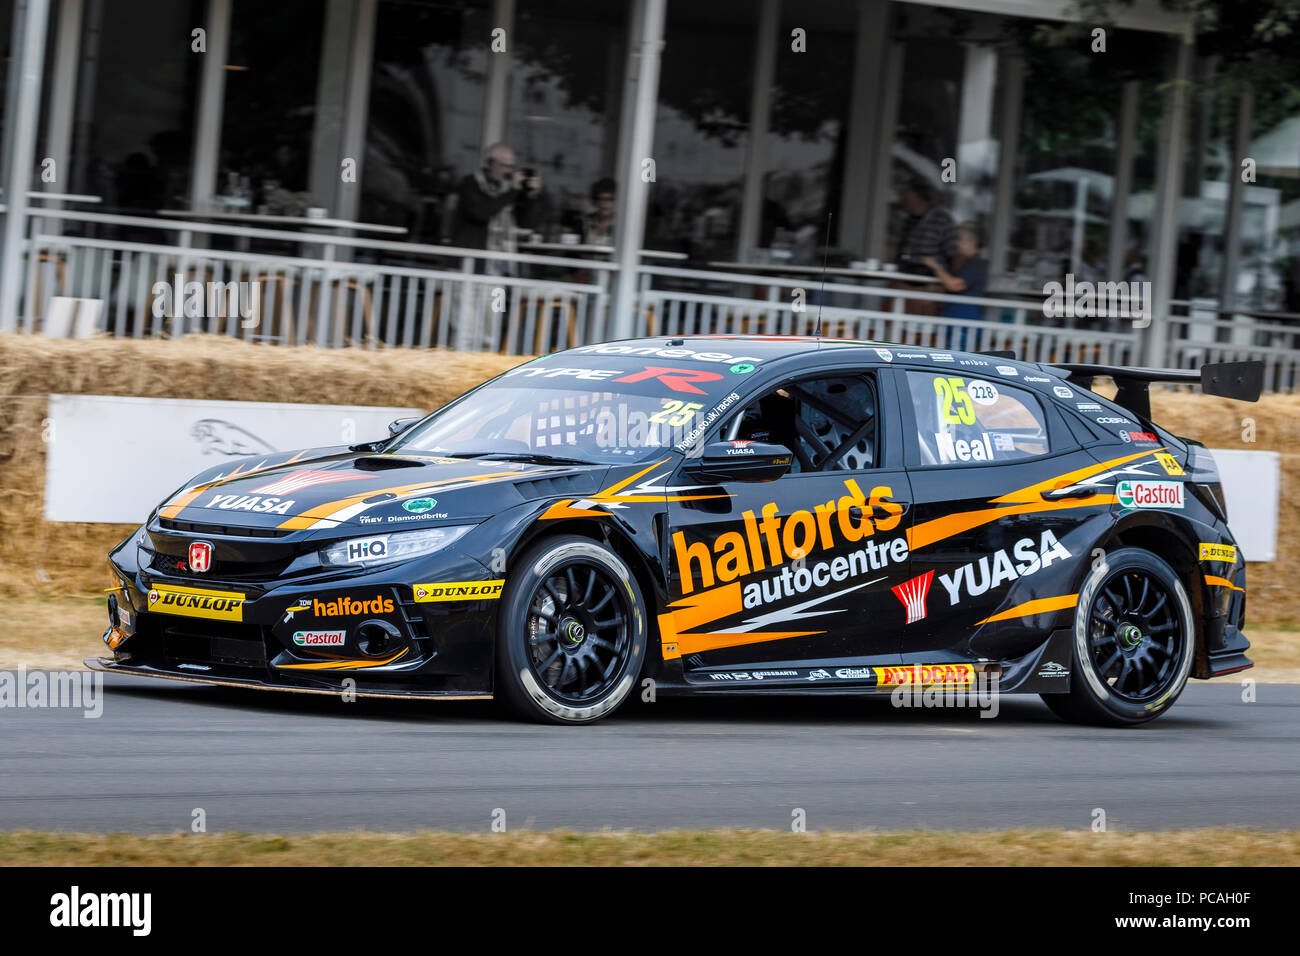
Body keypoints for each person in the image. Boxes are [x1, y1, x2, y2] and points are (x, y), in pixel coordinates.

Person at [450, 142, 541, 266]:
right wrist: (512, 191)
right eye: (504, 165)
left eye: (511, 166)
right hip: (470, 261)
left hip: (500, 263)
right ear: (489, 163)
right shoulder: (471, 183)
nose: (508, 171)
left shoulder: (509, 189)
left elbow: (527, 225)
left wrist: (531, 197)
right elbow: (480, 213)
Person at [921, 222, 988, 350]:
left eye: (962, 240)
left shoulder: (976, 264)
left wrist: (935, 266)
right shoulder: (962, 263)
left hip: (964, 326)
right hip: (954, 323)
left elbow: (955, 285)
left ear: (974, 243)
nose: (957, 244)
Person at [896, 177, 957, 273]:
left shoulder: (941, 219)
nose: (902, 199)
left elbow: (953, 255)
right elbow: (902, 252)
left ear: (918, 196)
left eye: (905, 195)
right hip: (906, 276)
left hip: (932, 280)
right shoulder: (909, 221)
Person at [583, 177, 616, 246]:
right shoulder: (585, 221)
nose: (604, 203)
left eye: (610, 199)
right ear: (595, 201)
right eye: (600, 199)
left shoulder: (621, 225)